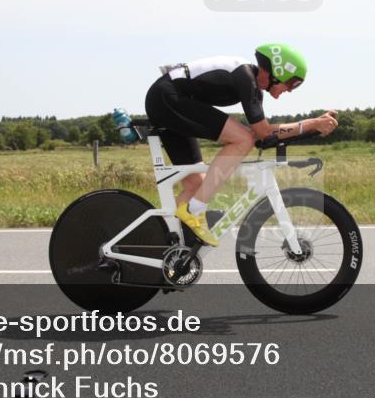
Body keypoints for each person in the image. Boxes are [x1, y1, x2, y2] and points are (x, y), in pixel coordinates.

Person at [144, 43, 338, 246]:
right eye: (291, 84)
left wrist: (309, 128)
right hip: (167, 98)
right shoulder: (245, 76)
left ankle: (159, 245)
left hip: (170, 101)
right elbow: (262, 133)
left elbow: (261, 134)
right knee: (243, 139)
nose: (289, 91)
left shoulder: (252, 86)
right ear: (277, 71)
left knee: (196, 184)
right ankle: (195, 210)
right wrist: (312, 123)